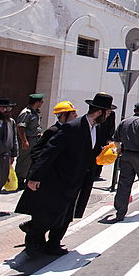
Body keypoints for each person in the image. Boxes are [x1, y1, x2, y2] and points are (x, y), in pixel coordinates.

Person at [16, 93, 115, 257]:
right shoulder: (72, 127)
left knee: (67, 214)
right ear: (99, 112)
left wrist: (105, 153)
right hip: (59, 180)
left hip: (79, 180)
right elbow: (49, 152)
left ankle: (54, 244)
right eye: (108, 112)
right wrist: (35, 177)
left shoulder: (97, 128)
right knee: (49, 212)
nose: (109, 115)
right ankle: (33, 242)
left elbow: (90, 151)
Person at [17, 101, 78, 241]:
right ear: (63, 115)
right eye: (73, 113)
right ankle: (34, 237)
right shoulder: (53, 131)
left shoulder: (71, 130)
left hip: (61, 179)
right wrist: (47, 168)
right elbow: (37, 152)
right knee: (44, 211)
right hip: (48, 178)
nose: (76, 115)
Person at [15, 93, 43, 188]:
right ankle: (19, 180)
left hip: (35, 140)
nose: (42, 103)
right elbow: (21, 127)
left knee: (32, 160)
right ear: (36, 102)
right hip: (28, 140)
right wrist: (24, 141)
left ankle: (27, 179)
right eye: (41, 102)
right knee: (24, 160)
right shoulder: (26, 113)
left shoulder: (35, 112)